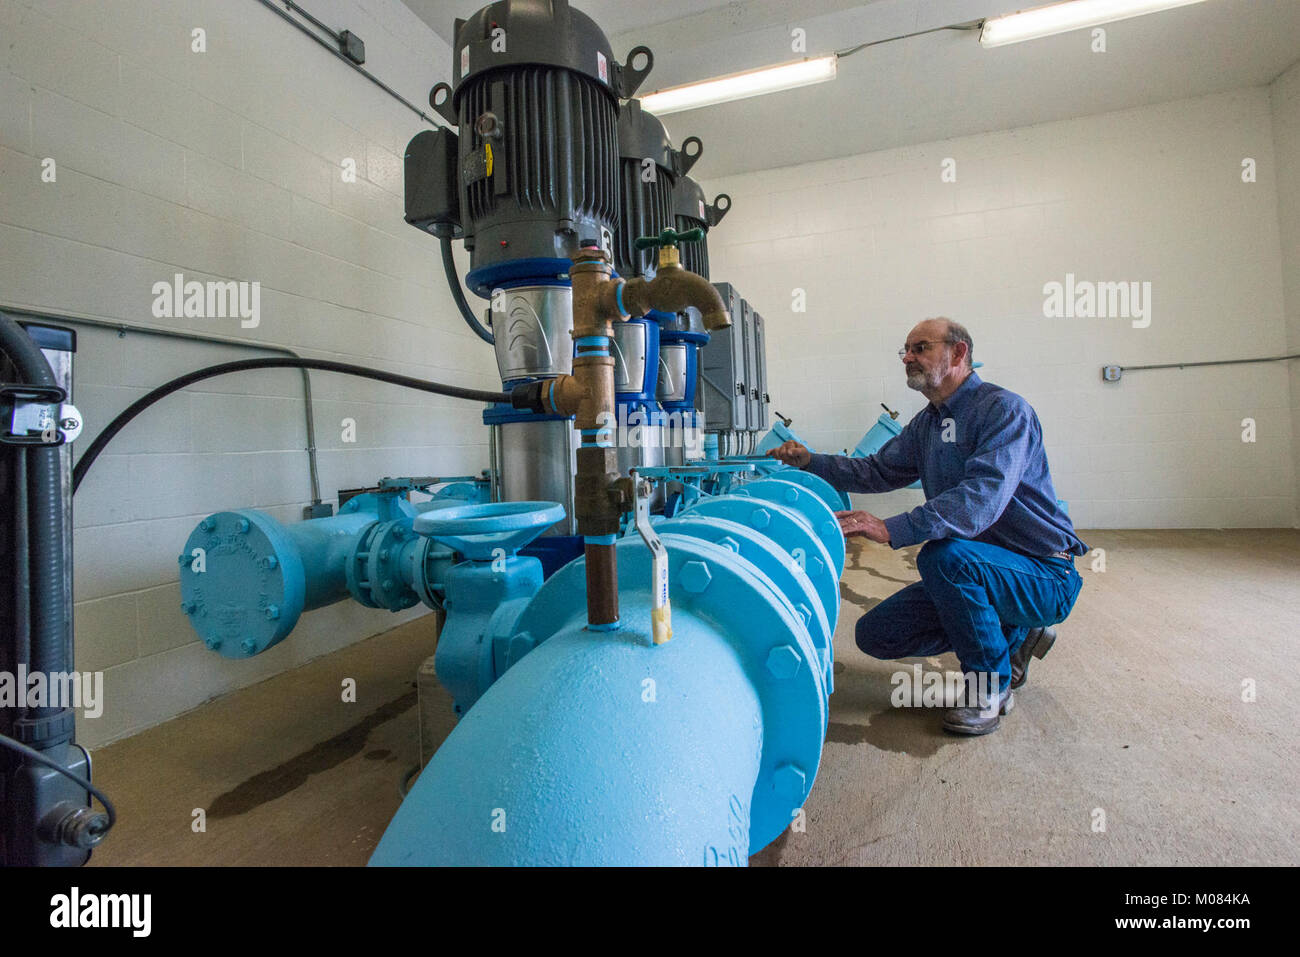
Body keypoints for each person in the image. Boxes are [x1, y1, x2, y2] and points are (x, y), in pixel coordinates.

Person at [767, 318, 1085, 735]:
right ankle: (1017, 631)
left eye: (920, 347)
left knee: (944, 557)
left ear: (958, 354)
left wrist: (892, 527)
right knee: (877, 634)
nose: (907, 357)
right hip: (985, 567)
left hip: (1043, 571)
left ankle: (991, 689)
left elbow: (980, 500)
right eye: (905, 349)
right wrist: (812, 462)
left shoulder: (1005, 411)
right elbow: (875, 472)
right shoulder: (929, 424)